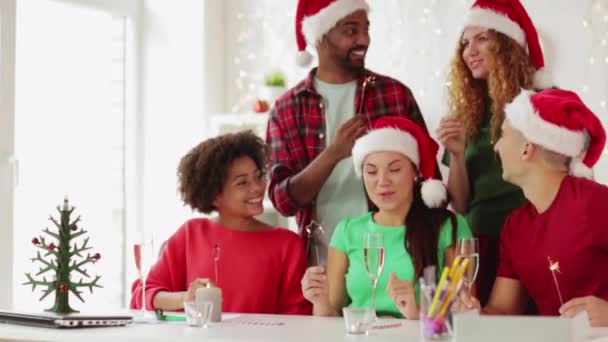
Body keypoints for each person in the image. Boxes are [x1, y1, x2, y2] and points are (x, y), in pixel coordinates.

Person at [267, 0, 430, 263]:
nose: (363, 39)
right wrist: (332, 154)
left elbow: (426, 181)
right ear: (321, 35)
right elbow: (283, 200)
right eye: (350, 30)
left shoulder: (395, 95)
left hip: (396, 258)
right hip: (320, 262)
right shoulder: (287, 109)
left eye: (366, 29)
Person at [436, 0, 552, 305]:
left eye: (482, 39)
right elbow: (460, 204)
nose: (469, 51)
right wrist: (458, 156)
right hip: (480, 242)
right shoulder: (466, 114)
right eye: (465, 43)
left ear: (507, 45)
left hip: (533, 240)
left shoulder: (540, 105)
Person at [459, 88, 608, 324]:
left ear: (527, 149)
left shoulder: (596, 203)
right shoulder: (515, 226)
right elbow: (503, 310)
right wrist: (472, 315)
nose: (496, 147)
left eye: (503, 135)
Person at [301, 116, 472, 318]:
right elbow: (333, 316)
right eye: (371, 171)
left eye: (395, 169)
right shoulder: (347, 231)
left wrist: (416, 313)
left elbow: (465, 312)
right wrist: (319, 300)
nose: (382, 181)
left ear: (415, 173)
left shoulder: (450, 227)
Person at [131, 131, 311, 315]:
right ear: (215, 195)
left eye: (258, 176)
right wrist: (185, 298)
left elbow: (299, 317)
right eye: (242, 183)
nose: (257, 187)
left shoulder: (288, 245)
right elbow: (143, 294)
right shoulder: (191, 234)